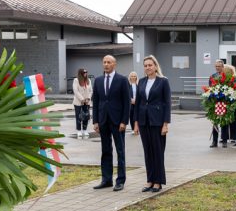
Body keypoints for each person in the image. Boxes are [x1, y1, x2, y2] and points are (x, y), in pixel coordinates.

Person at [92, 55, 131, 191]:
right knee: (105, 150)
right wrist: (95, 121)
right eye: (104, 62)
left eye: (109, 62)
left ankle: (120, 180)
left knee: (120, 150)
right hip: (103, 120)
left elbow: (127, 102)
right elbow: (96, 102)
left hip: (118, 121)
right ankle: (106, 179)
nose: (106, 64)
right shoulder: (98, 80)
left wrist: (124, 121)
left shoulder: (122, 80)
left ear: (114, 64)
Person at [134, 55, 171, 193]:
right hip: (144, 121)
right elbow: (138, 103)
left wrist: (165, 123)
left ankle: (158, 181)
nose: (148, 67)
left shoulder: (163, 81)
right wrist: (136, 123)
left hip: (157, 121)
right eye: (145, 66)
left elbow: (167, 103)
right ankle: (150, 180)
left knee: (157, 151)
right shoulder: (141, 81)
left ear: (155, 66)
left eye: (150, 65)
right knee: (148, 152)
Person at [210, 60, 228, 148]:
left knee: (224, 122)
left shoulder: (227, 76)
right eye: (216, 66)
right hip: (215, 102)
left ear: (223, 67)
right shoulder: (212, 76)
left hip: (224, 101)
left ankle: (224, 141)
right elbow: (210, 88)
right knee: (215, 122)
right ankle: (214, 141)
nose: (217, 68)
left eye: (219, 66)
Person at [72, 68, 92, 139]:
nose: (85, 73)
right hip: (78, 102)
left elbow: (91, 91)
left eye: (86, 72)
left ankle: (85, 130)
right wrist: (82, 99)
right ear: (80, 73)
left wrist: (88, 98)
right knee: (79, 117)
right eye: (84, 72)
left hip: (87, 102)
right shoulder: (76, 80)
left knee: (86, 116)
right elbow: (76, 91)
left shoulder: (88, 80)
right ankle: (79, 130)